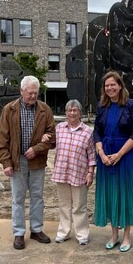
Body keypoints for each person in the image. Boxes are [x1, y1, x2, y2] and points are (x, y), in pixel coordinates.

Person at [0, 75, 56, 250]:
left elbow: (52, 138)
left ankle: (36, 230)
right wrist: (6, 162)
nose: (33, 96)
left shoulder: (45, 110)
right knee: (18, 198)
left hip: (37, 161)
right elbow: (2, 140)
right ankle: (19, 233)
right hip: (16, 161)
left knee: (37, 197)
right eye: (30, 93)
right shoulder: (9, 110)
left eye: (36, 93)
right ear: (21, 91)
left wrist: (37, 148)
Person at [93, 70, 133, 252]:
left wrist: (119, 154)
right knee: (110, 193)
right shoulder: (102, 106)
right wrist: (101, 152)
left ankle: (126, 236)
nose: (109, 88)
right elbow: (97, 131)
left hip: (125, 156)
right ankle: (114, 234)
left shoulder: (131, 105)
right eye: (107, 86)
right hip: (105, 156)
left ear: (120, 86)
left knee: (125, 194)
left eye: (113, 84)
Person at [44, 99, 96, 245]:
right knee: (64, 205)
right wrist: (45, 139)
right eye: (69, 110)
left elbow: (92, 155)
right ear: (66, 113)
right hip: (62, 172)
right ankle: (64, 232)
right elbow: (51, 144)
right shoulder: (59, 128)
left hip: (79, 173)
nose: (72, 113)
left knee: (79, 205)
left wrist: (90, 173)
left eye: (75, 110)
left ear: (80, 113)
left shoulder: (87, 132)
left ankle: (82, 234)